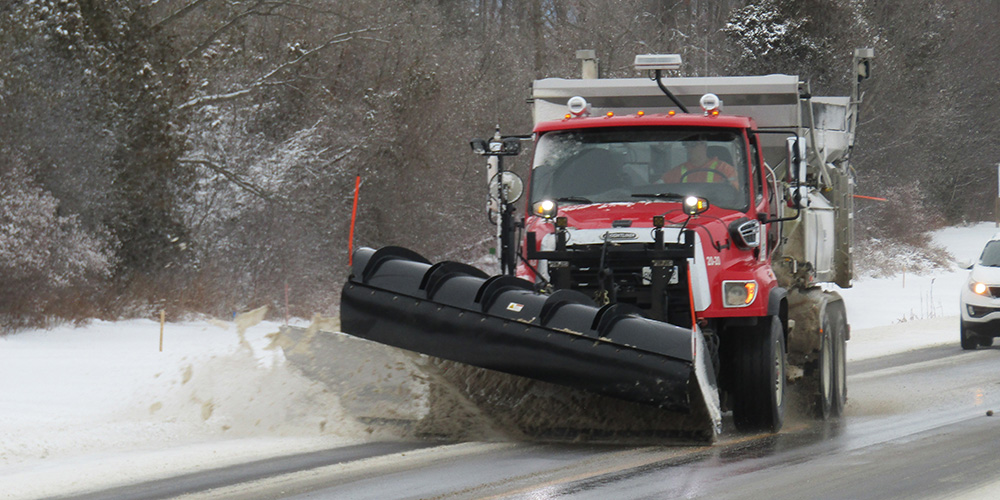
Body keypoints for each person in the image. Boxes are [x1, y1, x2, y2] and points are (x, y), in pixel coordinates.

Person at [661, 140, 738, 186]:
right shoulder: (677, 172)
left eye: (693, 145)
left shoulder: (725, 169)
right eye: (687, 146)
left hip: (716, 209)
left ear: (704, 145)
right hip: (682, 210)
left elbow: (735, 193)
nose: (690, 149)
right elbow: (657, 188)